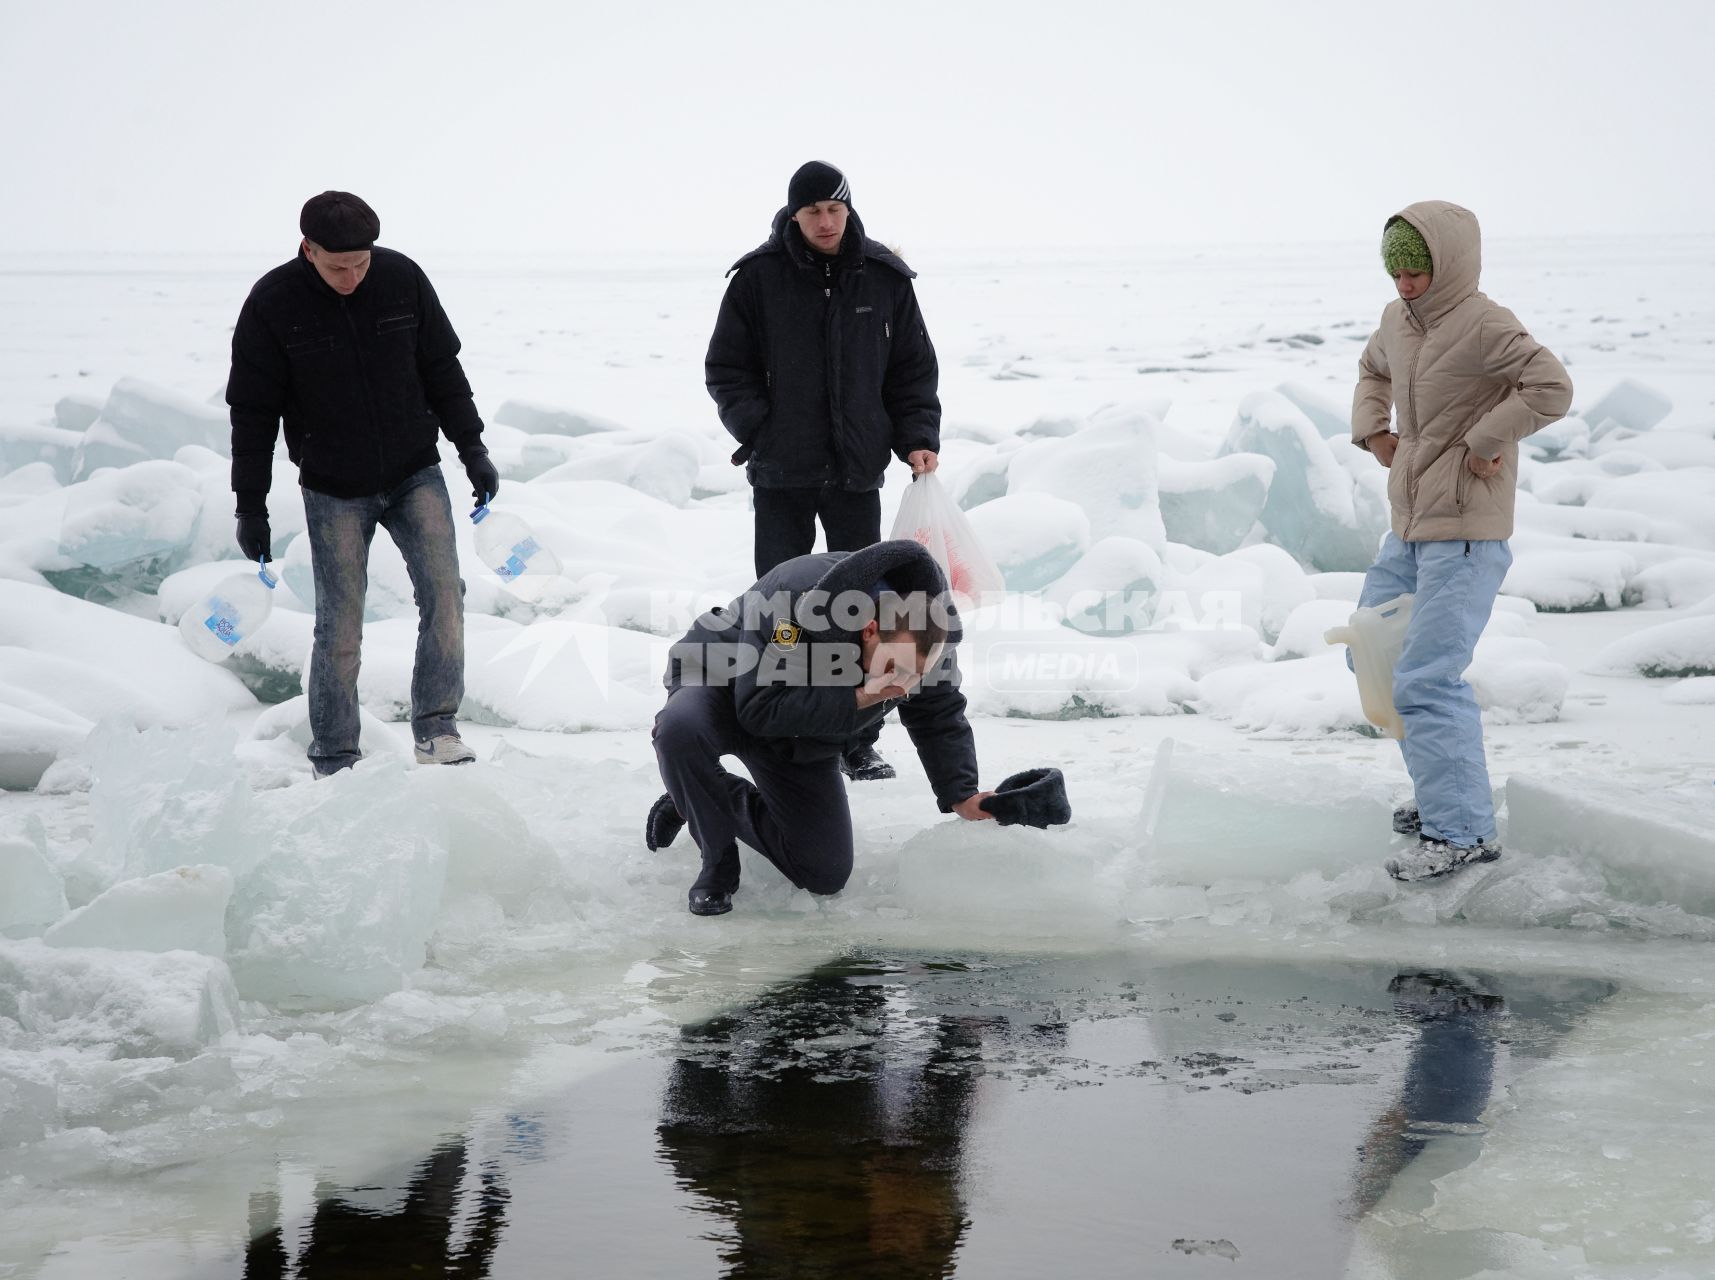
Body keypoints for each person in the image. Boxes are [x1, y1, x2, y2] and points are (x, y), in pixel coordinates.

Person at [226, 191, 500, 777]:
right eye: (337, 266)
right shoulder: (273, 303)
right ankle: (335, 755)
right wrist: (250, 506)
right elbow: (252, 413)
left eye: (361, 263)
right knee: (341, 624)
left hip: (413, 470)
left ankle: (437, 730)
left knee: (446, 598)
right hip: (333, 487)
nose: (351, 277)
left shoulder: (402, 278)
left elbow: (443, 369)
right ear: (308, 249)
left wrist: (471, 448)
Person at [1351, 201, 1572, 880]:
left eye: (1416, 270)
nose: (1405, 283)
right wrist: (1374, 430)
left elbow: (1550, 386)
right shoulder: (1396, 321)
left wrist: (1487, 437)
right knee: (1373, 658)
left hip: (1466, 534)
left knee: (1425, 677)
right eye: (1396, 271)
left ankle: (1462, 833)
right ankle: (1443, 798)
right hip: (1410, 526)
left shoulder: (1484, 323)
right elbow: (1372, 371)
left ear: (1445, 264)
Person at [705, 160, 942, 783]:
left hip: (857, 473)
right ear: (795, 214)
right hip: (782, 472)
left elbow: (912, 370)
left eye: (834, 210)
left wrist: (917, 438)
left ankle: (857, 737)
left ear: (847, 207)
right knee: (784, 608)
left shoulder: (885, 278)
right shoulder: (758, 278)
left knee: (867, 609)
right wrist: (762, 430)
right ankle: (783, 720)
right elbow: (726, 368)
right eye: (813, 213)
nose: (826, 222)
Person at [646, 539, 994, 916]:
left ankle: (694, 793)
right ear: (870, 630)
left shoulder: (930, 635)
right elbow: (757, 709)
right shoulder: (796, 598)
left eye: (916, 676)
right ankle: (718, 865)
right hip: (720, 680)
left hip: (801, 722)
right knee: (679, 730)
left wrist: (962, 793)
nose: (903, 685)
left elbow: (939, 715)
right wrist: (859, 699)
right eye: (895, 668)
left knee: (823, 872)